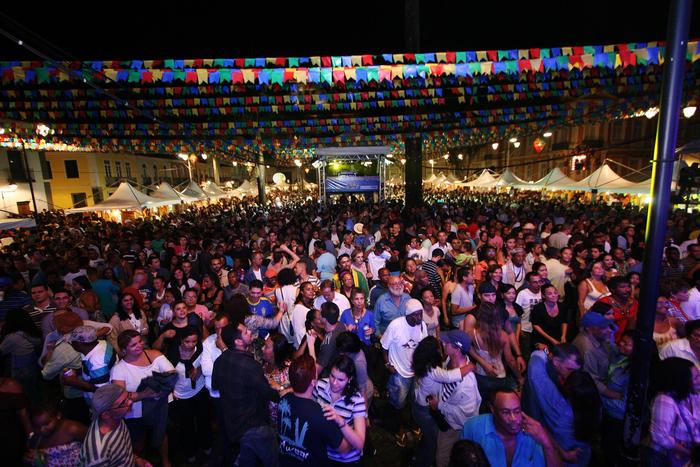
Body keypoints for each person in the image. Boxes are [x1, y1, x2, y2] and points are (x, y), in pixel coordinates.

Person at [212, 323, 279, 466]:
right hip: (255, 426)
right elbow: (268, 393)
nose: (249, 331)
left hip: (234, 425)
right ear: (238, 342)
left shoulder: (220, 361)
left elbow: (215, 386)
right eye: (245, 332)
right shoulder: (250, 365)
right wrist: (283, 391)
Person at [110, 330, 175, 467]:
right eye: (133, 345)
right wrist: (144, 394)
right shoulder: (119, 369)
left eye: (140, 341)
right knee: (138, 442)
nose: (140, 345)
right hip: (135, 412)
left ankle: (165, 461)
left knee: (161, 434)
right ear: (123, 350)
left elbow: (172, 373)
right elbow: (120, 396)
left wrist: (161, 387)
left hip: (158, 407)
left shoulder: (155, 355)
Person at [411, 336, 475, 467]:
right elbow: (449, 377)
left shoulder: (422, 362)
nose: (443, 345)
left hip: (420, 404)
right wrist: (470, 367)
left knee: (428, 436)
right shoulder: (433, 370)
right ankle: (423, 462)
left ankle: (419, 454)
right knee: (432, 443)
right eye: (439, 346)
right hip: (426, 410)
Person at [523, 344, 591, 466]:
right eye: (570, 369)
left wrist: (542, 352)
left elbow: (536, 371)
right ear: (556, 362)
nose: (574, 375)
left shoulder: (561, 409)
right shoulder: (591, 405)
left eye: (576, 371)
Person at [278, 354, 350, 466]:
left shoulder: (283, 401)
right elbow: (344, 449)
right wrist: (344, 425)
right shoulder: (323, 415)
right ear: (313, 382)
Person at [461, 390, 563, 467]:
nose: (514, 419)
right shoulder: (473, 427)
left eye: (517, 411)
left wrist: (546, 442)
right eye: (506, 412)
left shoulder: (533, 433)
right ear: (492, 409)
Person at [430, 330, 482, 467]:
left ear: (457, 349)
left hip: (454, 427)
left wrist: (439, 405)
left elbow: (466, 415)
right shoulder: (449, 360)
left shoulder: (467, 384)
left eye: (447, 342)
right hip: (445, 418)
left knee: (442, 459)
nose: (443, 343)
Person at [381, 298, 428, 443]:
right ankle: (399, 427)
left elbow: (423, 345)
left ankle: (412, 423)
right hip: (400, 371)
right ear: (408, 314)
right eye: (416, 315)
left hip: (415, 370)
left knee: (415, 399)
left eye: (421, 314)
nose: (419, 317)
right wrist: (388, 364)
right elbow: (384, 347)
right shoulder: (396, 326)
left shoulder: (422, 325)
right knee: (398, 402)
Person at [166, 326, 212, 463]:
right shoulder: (173, 355)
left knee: (204, 420)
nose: (191, 345)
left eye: (194, 341)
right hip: (181, 396)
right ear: (181, 340)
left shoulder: (201, 349)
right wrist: (170, 393)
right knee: (187, 426)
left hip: (200, 391)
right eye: (187, 342)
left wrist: (199, 369)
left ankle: (206, 445)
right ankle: (190, 451)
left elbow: (208, 362)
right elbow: (166, 377)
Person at [313, 355, 367, 465]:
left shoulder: (357, 401)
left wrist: (340, 421)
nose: (334, 383)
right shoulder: (320, 386)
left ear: (349, 379)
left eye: (341, 379)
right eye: (332, 376)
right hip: (322, 453)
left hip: (345, 459)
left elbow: (360, 444)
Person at [80, 384, 151, 467]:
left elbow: (123, 452)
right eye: (124, 402)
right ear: (106, 414)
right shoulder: (98, 454)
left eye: (128, 397)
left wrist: (136, 459)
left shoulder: (116, 419)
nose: (130, 402)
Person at [648, 357, 700, 466]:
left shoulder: (692, 395)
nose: (699, 380)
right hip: (667, 458)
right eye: (696, 378)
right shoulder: (665, 401)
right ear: (682, 381)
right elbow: (659, 437)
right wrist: (689, 452)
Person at [468, 302, 521, 402]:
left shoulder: (473, 333)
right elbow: (510, 360)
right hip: (499, 376)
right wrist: (519, 377)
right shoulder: (503, 335)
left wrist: (483, 362)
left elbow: (468, 348)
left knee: (484, 404)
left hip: (481, 376)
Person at [0, 308, 41, 404]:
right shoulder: (31, 332)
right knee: (33, 390)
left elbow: (1, 351)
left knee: (22, 394)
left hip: (20, 369)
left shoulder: (13, 337)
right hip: (32, 365)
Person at [597, 276, 638, 343]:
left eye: (628, 286)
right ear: (612, 289)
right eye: (622, 287)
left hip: (627, 345)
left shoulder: (634, 303)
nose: (627, 290)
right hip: (606, 343)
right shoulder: (604, 302)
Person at [530, 284, 569, 350]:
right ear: (543, 296)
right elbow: (535, 325)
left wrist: (563, 335)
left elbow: (564, 321)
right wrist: (551, 339)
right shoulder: (538, 308)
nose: (553, 295)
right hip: (542, 338)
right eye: (550, 294)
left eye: (555, 293)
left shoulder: (562, 306)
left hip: (557, 336)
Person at [292, 282, 317, 349]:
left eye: (312, 289)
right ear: (302, 292)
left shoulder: (310, 305)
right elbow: (298, 332)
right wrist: (304, 348)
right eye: (308, 289)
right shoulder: (299, 309)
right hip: (303, 346)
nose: (311, 291)